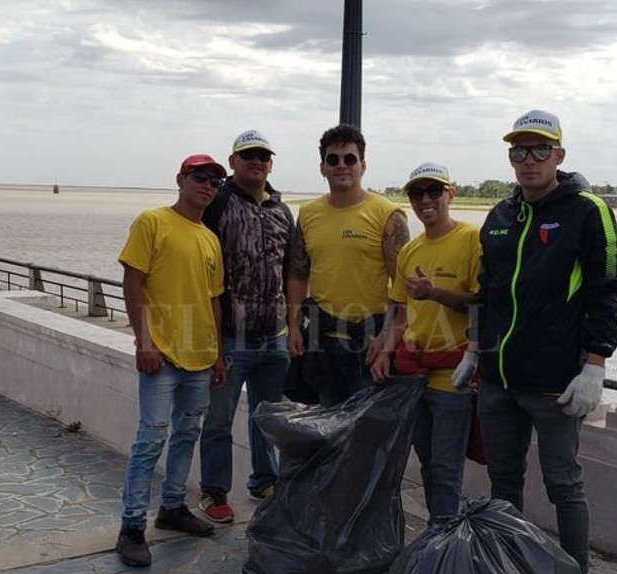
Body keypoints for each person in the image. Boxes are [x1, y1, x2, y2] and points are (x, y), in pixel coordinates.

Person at [463, 109, 617, 574]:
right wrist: (473, 349)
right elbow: (486, 290)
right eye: (519, 151)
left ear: (559, 155)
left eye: (539, 150)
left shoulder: (587, 211)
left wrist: (595, 365)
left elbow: (606, 291)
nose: (528, 160)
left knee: (563, 484)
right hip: (498, 377)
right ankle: (508, 571)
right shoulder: (499, 215)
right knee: (503, 481)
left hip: (555, 381)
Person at [115, 154, 230, 567]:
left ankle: (173, 506)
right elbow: (133, 282)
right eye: (200, 177)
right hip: (161, 354)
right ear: (181, 179)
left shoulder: (210, 238)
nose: (208, 185)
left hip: (200, 356)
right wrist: (144, 341)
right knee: (151, 439)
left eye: (215, 181)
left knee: (187, 434)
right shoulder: (152, 222)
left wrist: (218, 355)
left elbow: (213, 300)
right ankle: (131, 526)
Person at [371, 162, 481, 521]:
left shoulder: (471, 239)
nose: (425, 200)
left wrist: (435, 293)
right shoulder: (410, 251)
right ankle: (439, 534)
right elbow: (401, 313)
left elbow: (482, 303)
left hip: (453, 375)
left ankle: (444, 538)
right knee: (428, 465)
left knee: (447, 467)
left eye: (434, 190)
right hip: (413, 375)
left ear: (451, 194)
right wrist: (385, 353)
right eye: (417, 193)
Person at [196, 130, 294, 523]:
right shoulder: (217, 203)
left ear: (271, 163)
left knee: (267, 417)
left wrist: (295, 323)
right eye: (248, 155)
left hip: (275, 337)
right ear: (233, 161)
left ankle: (265, 480)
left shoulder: (282, 211)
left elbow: (292, 271)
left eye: (263, 156)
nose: (256, 161)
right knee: (218, 420)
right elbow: (201, 268)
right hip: (230, 338)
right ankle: (214, 491)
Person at [286, 124, 409, 405]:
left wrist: (386, 341)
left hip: (368, 344)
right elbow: (297, 274)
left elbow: (403, 288)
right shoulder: (309, 214)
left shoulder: (388, 215)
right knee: (327, 425)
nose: (341, 165)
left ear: (362, 165)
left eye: (350, 158)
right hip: (322, 343)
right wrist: (293, 326)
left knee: (366, 427)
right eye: (333, 159)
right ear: (323, 168)